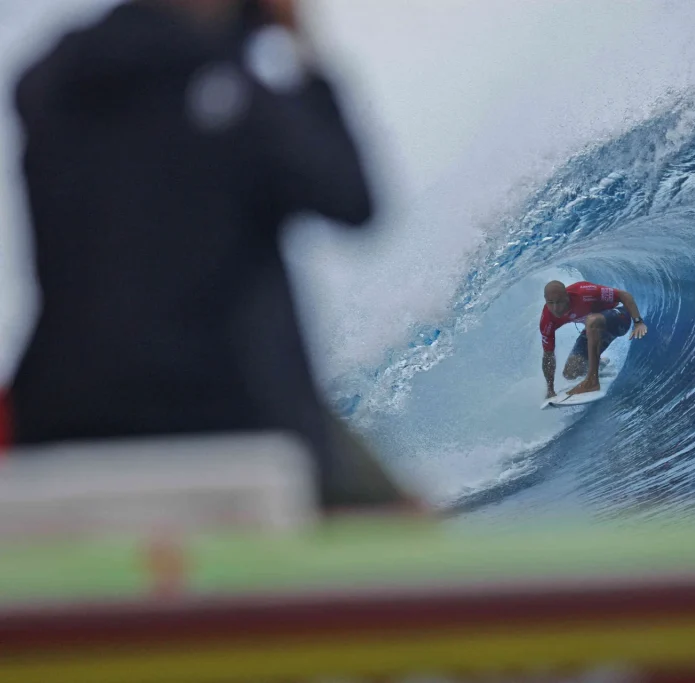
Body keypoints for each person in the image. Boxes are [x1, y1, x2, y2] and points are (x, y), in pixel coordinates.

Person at [7, 0, 413, 511]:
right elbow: (354, 200)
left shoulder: (46, 84)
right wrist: (303, 48)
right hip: (229, 420)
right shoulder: (235, 101)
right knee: (400, 514)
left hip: (64, 424)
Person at [541, 280, 647, 398]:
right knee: (570, 373)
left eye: (559, 302)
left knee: (591, 321)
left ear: (567, 296)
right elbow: (548, 355)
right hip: (596, 329)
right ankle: (599, 365)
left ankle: (592, 380)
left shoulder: (584, 292)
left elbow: (624, 295)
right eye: (550, 302)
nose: (555, 308)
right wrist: (550, 389)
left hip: (619, 318)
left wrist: (638, 322)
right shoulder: (547, 319)